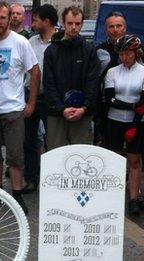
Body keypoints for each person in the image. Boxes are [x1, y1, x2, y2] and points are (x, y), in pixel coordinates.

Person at [0, 1, 40, 214]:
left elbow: (35, 71)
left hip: (13, 109)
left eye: (3, 17)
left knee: (15, 155)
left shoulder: (21, 43)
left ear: (10, 18)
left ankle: (17, 195)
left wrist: (31, 102)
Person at [43, 6, 100, 150]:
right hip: (56, 113)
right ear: (63, 23)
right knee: (55, 156)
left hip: (82, 113)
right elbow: (49, 83)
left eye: (77, 23)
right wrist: (61, 109)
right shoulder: (51, 51)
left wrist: (85, 107)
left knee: (81, 157)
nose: (74, 27)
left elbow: (93, 83)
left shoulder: (90, 50)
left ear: (81, 24)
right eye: (70, 23)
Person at [103, 34, 144, 215]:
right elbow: (109, 99)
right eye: (121, 54)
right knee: (115, 159)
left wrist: (134, 123)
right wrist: (133, 105)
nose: (124, 57)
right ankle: (114, 195)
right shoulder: (112, 72)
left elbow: (143, 103)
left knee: (134, 160)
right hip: (115, 121)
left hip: (137, 122)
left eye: (128, 53)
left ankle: (134, 198)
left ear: (135, 53)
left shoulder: (143, 72)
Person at [22, 4, 58, 194]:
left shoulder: (60, 41)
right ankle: (31, 178)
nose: (32, 23)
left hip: (51, 98)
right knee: (28, 140)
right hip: (29, 96)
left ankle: (52, 179)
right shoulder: (30, 42)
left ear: (47, 21)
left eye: (35, 19)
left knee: (52, 140)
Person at [95, 12, 127, 145]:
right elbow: (94, 81)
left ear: (125, 28)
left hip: (135, 106)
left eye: (119, 26)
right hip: (107, 108)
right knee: (110, 149)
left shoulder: (138, 49)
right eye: (111, 26)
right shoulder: (99, 51)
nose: (115, 30)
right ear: (106, 29)